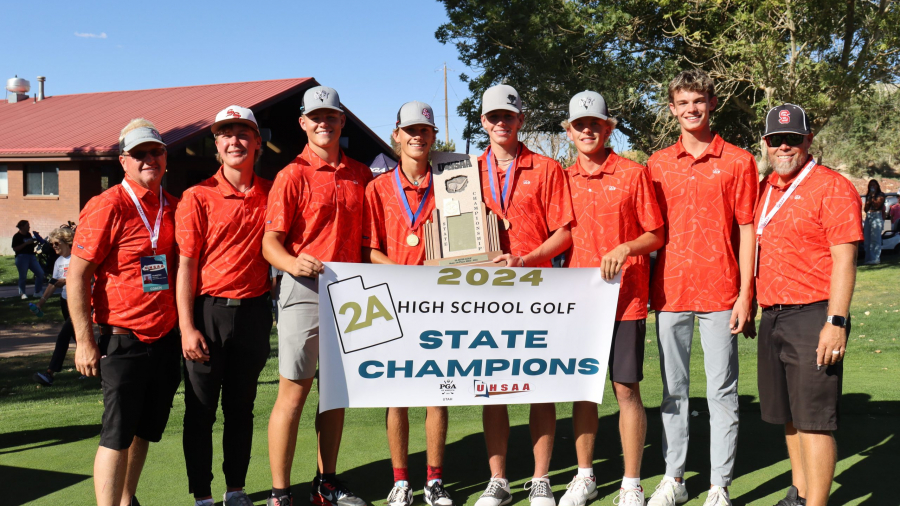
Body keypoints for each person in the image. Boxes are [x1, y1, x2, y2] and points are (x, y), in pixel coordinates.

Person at [646, 69, 758, 506]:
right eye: (683, 102)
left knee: (721, 392)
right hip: (670, 291)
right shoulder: (656, 164)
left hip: (721, 291)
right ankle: (674, 478)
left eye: (699, 101)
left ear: (711, 103)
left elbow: (748, 229)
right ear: (672, 108)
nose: (691, 109)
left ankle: (719, 485)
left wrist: (746, 293)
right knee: (673, 390)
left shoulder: (739, 160)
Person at [263, 86, 372, 506]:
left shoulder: (360, 173)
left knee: (335, 393)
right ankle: (279, 493)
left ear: (342, 121)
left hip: (350, 293)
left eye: (332, 116)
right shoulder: (291, 174)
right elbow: (270, 243)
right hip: (304, 289)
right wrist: (292, 263)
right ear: (303, 123)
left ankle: (326, 483)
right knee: (294, 392)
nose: (324, 123)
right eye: (316, 117)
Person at [559, 91, 665, 506]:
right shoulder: (562, 179)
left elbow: (655, 233)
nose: (588, 130)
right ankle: (585, 476)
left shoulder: (633, 173)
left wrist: (626, 248)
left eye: (595, 124)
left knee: (626, 389)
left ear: (609, 128)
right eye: (580, 125)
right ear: (569, 132)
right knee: (584, 390)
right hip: (578, 301)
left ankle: (631, 482)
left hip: (626, 299)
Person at [69, 119, 181, 506]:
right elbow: (77, 276)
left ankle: (126, 499)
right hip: (122, 337)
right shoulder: (107, 205)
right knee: (116, 433)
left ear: (165, 156)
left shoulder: (173, 205)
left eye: (156, 151)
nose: (149, 159)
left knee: (144, 431)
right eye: (139, 154)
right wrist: (84, 342)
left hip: (166, 337)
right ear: (124, 161)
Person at [754, 104, 862, 506]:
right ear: (766, 143)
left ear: (808, 140)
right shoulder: (766, 189)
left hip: (815, 314)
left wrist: (836, 321)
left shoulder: (832, 186)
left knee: (815, 421)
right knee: (789, 416)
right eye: (776, 140)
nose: (784, 147)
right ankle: (797, 496)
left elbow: (845, 259)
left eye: (792, 139)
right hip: (774, 314)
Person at [473, 84, 574, 506]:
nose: (501, 123)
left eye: (508, 116)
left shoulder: (547, 168)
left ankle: (540, 478)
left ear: (521, 120)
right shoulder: (460, 173)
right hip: (483, 293)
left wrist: (526, 258)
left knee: (538, 384)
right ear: (483, 122)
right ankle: (498, 480)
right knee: (492, 384)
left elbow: (565, 233)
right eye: (493, 117)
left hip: (536, 287)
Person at [175, 106, 274, 506]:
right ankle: (202, 495)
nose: (235, 141)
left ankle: (236, 489)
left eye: (243, 133)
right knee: (200, 411)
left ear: (257, 143)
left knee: (241, 409)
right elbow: (186, 264)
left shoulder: (273, 192)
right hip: (207, 312)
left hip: (253, 313)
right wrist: (186, 326)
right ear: (216, 146)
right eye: (225, 134)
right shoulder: (197, 196)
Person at [361, 101, 454, 506]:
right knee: (396, 393)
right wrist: (405, 271)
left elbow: (462, 245)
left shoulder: (454, 183)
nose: (418, 136)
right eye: (410, 130)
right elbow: (370, 250)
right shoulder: (378, 188)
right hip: (394, 300)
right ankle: (401, 481)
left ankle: (434, 480)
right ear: (397, 134)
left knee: (439, 391)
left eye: (426, 130)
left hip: (440, 301)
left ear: (434, 137)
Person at [32, 226, 78, 386]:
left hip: (80, 302)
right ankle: (95, 369)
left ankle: (50, 373)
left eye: (56, 243)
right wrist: (40, 303)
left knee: (63, 336)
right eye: (52, 244)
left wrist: (66, 281)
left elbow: (91, 279)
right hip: (65, 301)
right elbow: (53, 283)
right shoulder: (59, 261)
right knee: (78, 337)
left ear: (67, 242)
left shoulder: (78, 258)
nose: (54, 247)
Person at [12, 220, 45, 299]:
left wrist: (36, 242)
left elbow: (30, 246)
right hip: (21, 257)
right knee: (23, 276)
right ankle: (22, 293)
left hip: (31, 256)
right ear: (22, 226)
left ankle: (37, 292)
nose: (29, 227)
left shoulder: (28, 234)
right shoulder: (17, 236)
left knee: (40, 273)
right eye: (27, 226)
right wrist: (26, 243)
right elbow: (15, 248)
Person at [862, 179, 886, 265]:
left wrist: (873, 196)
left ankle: (875, 258)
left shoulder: (881, 195)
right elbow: (865, 209)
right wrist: (868, 201)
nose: (872, 187)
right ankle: (868, 258)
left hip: (877, 215)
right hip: (869, 216)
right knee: (867, 238)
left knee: (875, 239)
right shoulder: (868, 195)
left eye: (874, 185)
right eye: (871, 185)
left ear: (877, 186)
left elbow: (877, 205)